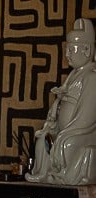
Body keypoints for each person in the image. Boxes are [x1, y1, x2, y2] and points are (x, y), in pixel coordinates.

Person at [27, 18, 96, 185]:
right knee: (43, 140)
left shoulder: (91, 77)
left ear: (86, 50)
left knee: (67, 145)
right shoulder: (72, 76)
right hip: (64, 129)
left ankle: (67, 176)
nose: (67, 55)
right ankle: (44, 174)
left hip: (83, 132)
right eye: (67, 50)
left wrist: (68, 133)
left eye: (72, 50)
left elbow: (88, 114)